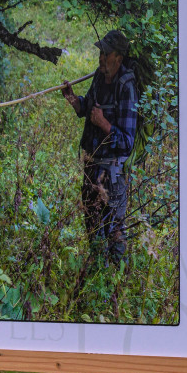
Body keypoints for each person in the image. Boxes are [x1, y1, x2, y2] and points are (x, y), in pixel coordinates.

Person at [61, 29, 138, 264]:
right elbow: (87, 108)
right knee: (92, 224)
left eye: (106, 53)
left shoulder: (127, 88)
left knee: (114, 229)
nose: (101, 57)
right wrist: (73, 100)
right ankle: (97, 273)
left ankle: (115, 282)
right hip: (92, 164)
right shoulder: (98, 76)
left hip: (113, 172)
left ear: (119, 58)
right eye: (100, 52)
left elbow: (127, 141)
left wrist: (105, 124)